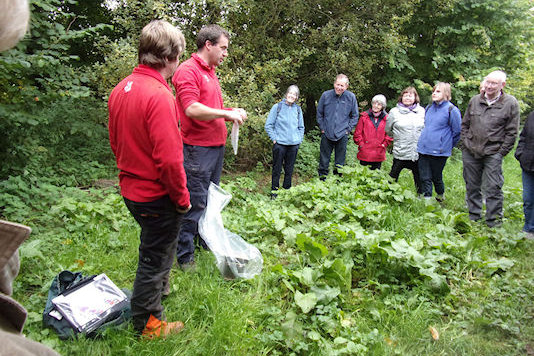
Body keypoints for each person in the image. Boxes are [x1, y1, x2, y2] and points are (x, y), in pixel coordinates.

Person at [108, 20, 191, 338]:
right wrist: (182, 199)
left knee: (156, 249)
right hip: (155, 195)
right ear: (172, 56)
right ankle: (148, 324)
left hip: (131, 189)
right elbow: (170, 160)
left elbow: (116, 142)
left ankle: (156, 293)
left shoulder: (122, 88)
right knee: (153, 259)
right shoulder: (159, 95)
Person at [172, 24, 247, 269]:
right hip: (197, 149)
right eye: (223, 48)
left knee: (210, 199)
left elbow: (209, 108)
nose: (226, 53)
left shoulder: (210, 71)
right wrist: (226, 114)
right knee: (195, 201)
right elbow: (192, 109)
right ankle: (184, 255)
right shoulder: (188, 71)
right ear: (208, 45)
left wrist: (230, 112)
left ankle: (202, 238)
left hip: (215, 147)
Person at [461, 70, 520, 227]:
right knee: (472, 185)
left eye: (494, 83)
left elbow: (512, 132)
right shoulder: (474, 100)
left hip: (493, 152)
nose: (489, 86)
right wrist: (465, 144)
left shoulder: (510, 103)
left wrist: (501, 152)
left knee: (493, 187)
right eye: (488, 82)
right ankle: (473, 218)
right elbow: (465, 124)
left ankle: (493, 223)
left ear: (502, 85)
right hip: (471, 151)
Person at [416, 82, 462, 202]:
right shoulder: (429, 108)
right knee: (425, 177)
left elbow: (457, 132)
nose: (434, 94)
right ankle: (427, 202)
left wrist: (446, 145)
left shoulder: (452, 110)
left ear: (446, 93)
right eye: (433, 91)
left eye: (438, 91)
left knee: (436, 177)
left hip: (440, 151)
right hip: (424, 148)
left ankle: (440, 195)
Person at [316, 74, 359, 179]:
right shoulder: (326, 95)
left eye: (342, 86)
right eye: (338, 84)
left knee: (340, 162)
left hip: (342, 134)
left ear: (346, 87)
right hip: (327, 133)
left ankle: (337, 183)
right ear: (334, 83)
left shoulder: (351, 97)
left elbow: (355, 115)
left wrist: (348, 130)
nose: (339, 88)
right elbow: (319, 114)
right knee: (323, 160)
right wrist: (323, 128)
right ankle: (322, 182)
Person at [265, 85, 305, 196]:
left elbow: (301, 127)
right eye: (290, 93)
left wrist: (299, 139)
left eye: (295, 94)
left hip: (293, 145)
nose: (292, 96)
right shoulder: (277, 107)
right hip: (280, 144)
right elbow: (268, 125)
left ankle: (287, 192)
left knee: (289, 170)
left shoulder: (298, 110)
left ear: (297, 97)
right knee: (276, 169)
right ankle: (274, 192)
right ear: (286, 94)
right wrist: (274, 139)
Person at [385, 86, 425, 193]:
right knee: (393, 175)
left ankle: (421, 197)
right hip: (401, 150)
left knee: (419, 177)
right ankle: (389, 194)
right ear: (401, 97)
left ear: (415, 97)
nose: (408, 98)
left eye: (410, 95)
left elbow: (425, 129)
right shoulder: (394, 112)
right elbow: (388, 129)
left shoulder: (421, 111)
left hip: (416, 151)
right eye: (405, 95)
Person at [353, 94, 392, 170]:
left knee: (375, 177)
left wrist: (384, 144)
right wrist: (361, 144)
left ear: (383, 106)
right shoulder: (364, 117)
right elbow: (357, 133)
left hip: (378, 152)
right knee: (363, 176)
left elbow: (390, 134)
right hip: (365, 151)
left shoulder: (387, 119)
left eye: (379, 104)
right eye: (374, 103)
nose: (376, 106)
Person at [514, 110, 534, 239]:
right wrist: (520, 153)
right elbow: (524, 136)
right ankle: (529, 228)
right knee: (528, 199)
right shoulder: (532, 115)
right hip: (528, 164)